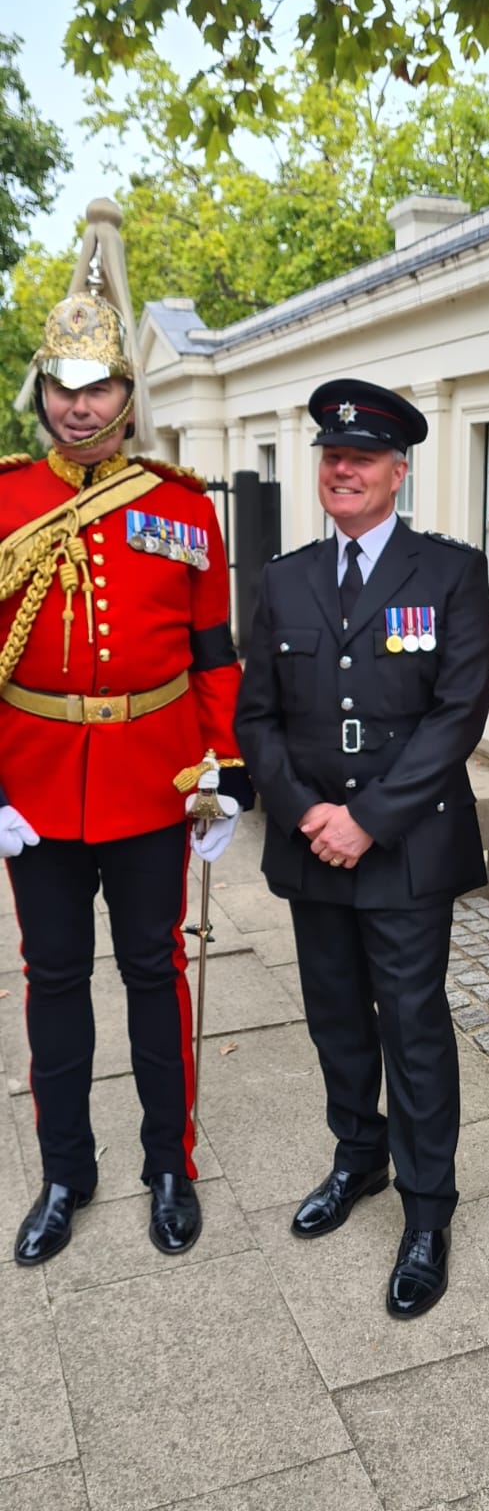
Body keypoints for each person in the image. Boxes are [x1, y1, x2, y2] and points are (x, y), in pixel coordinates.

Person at [4, 198, 252, 1266]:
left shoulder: (185, 508)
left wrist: (226, 772)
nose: (79, 405)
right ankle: (68, 1169)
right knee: (52, 981)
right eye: (63, 387)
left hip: (155, 782)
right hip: (38, 784)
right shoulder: (7, 502)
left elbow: (212, 656)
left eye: (99, 385)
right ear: (43, 393)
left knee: (156, 974)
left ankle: (169, 1161)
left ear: (128, 393)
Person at [235, 379, 489, 1317]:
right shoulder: (285, 577)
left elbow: (458, 712)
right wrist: (304, 811)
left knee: (414, 1027)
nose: (341, 469)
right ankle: (360, 1157)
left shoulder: (450, 573)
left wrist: (368, 819)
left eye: (361, 457)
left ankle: (429, 1207)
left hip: (405, 844)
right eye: (329, 456)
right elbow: (256, 713)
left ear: (399, 470)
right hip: (313, 843)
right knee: (336, 1015)